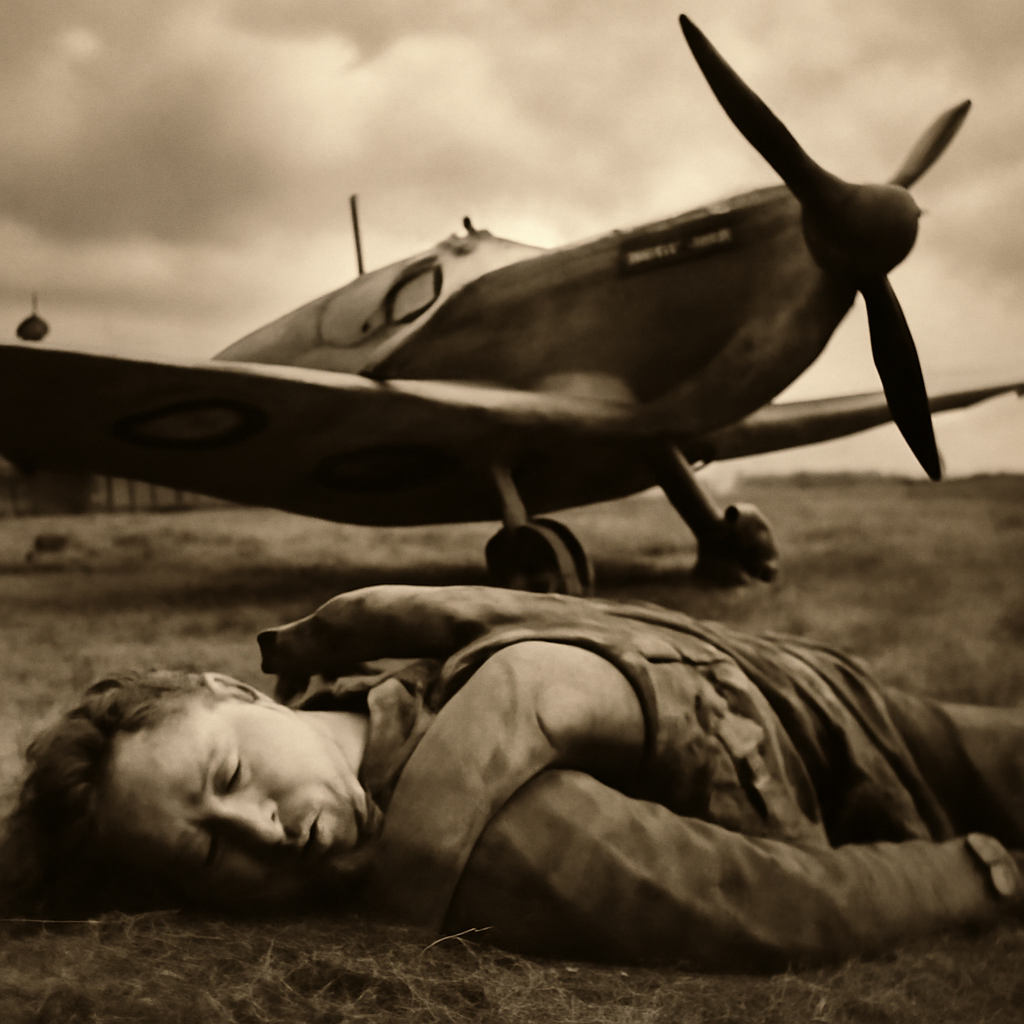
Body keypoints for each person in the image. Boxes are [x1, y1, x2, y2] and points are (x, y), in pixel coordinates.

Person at [4, 584, 1023, 970]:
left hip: (821, 686)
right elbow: (764, 904)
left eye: (226, 774)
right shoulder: (482, 836)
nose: (259, 828)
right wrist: (975, 879)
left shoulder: (372, 662)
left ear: (240, 689)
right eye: (207, 850)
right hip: (861, 777)